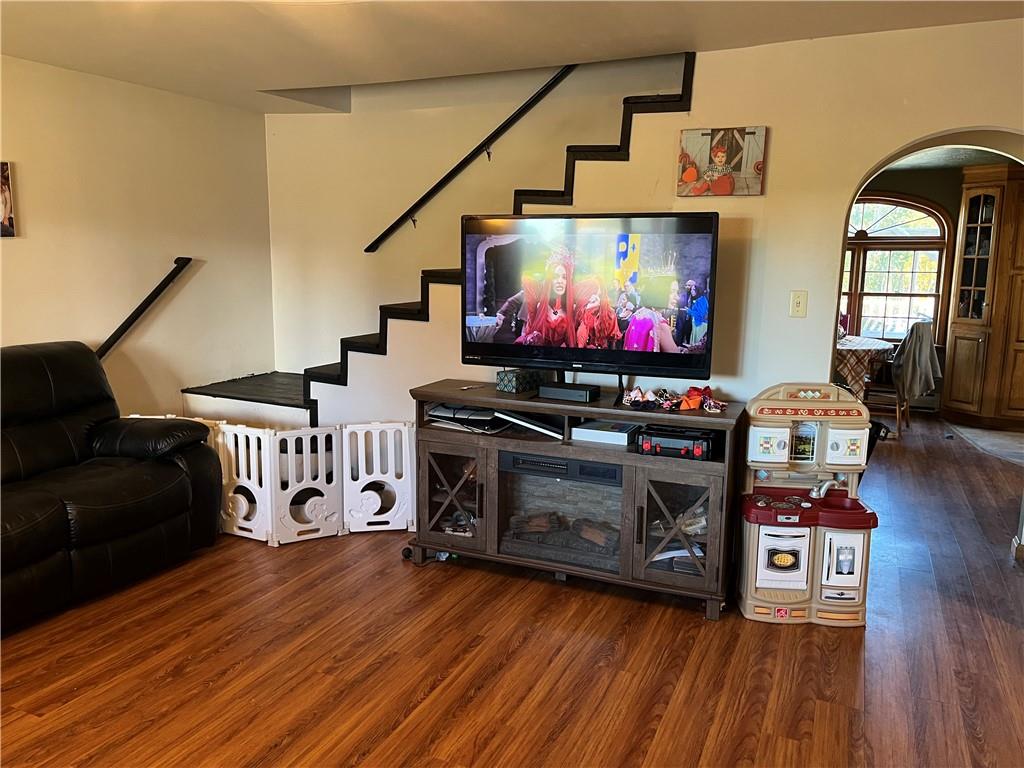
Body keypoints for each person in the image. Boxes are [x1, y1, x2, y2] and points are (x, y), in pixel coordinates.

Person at [513, 248, 576, 348]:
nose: (560, 281)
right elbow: (525, 334)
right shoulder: (538, 305)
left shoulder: (572, 309)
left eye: (564, 277)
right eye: (555, 277)